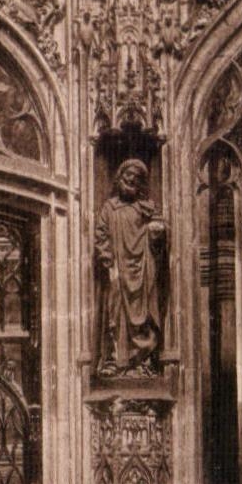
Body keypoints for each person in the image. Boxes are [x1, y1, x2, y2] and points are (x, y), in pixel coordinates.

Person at [94, 158, 167, 376]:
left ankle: (142, 359)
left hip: (142, 268)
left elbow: (160, 231)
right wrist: (107, 257)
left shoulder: (145, 208)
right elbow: (101, 235)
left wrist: (157, 233)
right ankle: (116, 360)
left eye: (136, 178)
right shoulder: (110, 208)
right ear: (119, 177)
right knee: (116, 312)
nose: (130, 180)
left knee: (143, 310)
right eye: (128, 176)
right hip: (118, 269)